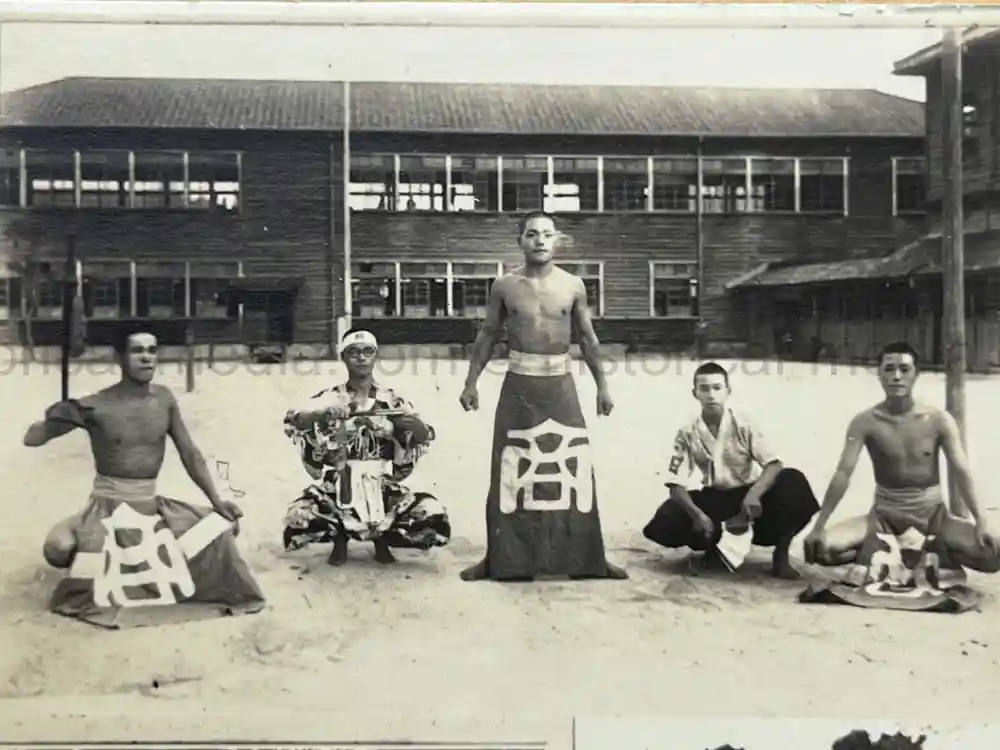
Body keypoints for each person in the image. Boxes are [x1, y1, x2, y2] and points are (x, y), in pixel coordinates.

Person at [23, 325, 264, 626]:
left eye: (152, 351)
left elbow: (190, 453)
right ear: (120, 357)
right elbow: (31, 439)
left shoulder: (163, 399)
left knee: (223, 527)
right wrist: (53, 418)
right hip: (106, 509)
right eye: (138, 351)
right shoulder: (96, 405)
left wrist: (217, 500)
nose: (147, 358)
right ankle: (86, 551)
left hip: (150, 508)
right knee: (58, 548)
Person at [458, 211, 627, 582]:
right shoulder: (504, 286)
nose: (539, 240)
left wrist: (603, 386)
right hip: (519, 383)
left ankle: (588, 559)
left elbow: (587, 338)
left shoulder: (574, 285)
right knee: (510, 466)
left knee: (574, 464)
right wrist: (471, 382)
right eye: (532, 234)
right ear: (520, 240)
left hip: (561, 384)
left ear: (557, 240)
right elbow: (488, 335)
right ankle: (501, 559)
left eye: (547, 234)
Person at [803, 341, 1000, 576]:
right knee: (822, 549)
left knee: (993, 553)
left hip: (932, 515)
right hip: (884, 515)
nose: (896, 376)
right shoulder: (866, 421)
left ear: (916, 374)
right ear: (879, 374)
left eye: (905, 369)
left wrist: (981, 520)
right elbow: (843, 473)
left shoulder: (938, 420)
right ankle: (894, 551)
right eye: (889, 369)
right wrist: (819, 525)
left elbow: (961, 470)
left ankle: (915, 553)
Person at [282, 329, 450, 565]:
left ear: (375, 356)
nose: (361, 358)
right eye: (354, 352)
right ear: (344, 357)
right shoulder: (330, 396)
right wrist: (324, 414)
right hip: (341, 478)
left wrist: (402, 424)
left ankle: (382, 541)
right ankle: (340, 541)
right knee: (299, 517)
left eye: (367, 352)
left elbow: (423, 434)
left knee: (431, 513)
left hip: (381, 479)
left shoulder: (392, 399)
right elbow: (295, 420)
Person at [642, 361, 819, 579]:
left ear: (728, 392)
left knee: (793, 481)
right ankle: (712, 546)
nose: (711, 395)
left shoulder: (743, 423)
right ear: (695, 393)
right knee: (668, 514)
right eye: (704, 389)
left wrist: (753, 495)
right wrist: (698, 516)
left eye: (717, 388)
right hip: (717, 499)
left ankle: (781, 555)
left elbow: (774, 464)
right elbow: (675, 485)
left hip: (752, 500)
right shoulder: (687, 431)